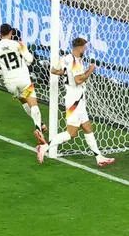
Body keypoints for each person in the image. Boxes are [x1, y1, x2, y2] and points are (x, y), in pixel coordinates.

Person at [37, 38, 116, 167]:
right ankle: (45, 147)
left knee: (87, 127)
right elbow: (79, 80)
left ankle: (99, 157)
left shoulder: (66, 58)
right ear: (79, 47)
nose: (86, 49)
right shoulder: (75, 63)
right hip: (75, 100)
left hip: (78, 99)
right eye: (85, 47)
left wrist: (66, 73)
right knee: (71, 133)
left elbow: (53, 70)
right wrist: (91, 69)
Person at [0, 24, 46, 144]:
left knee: (24, 101)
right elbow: (30, 59)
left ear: (0, 33)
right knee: (33, 104)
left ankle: (42, 124)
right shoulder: (18, 44)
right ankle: (38, 129)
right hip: (23, 81)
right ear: (11, 32)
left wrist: (1, 72)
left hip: (10, 84)